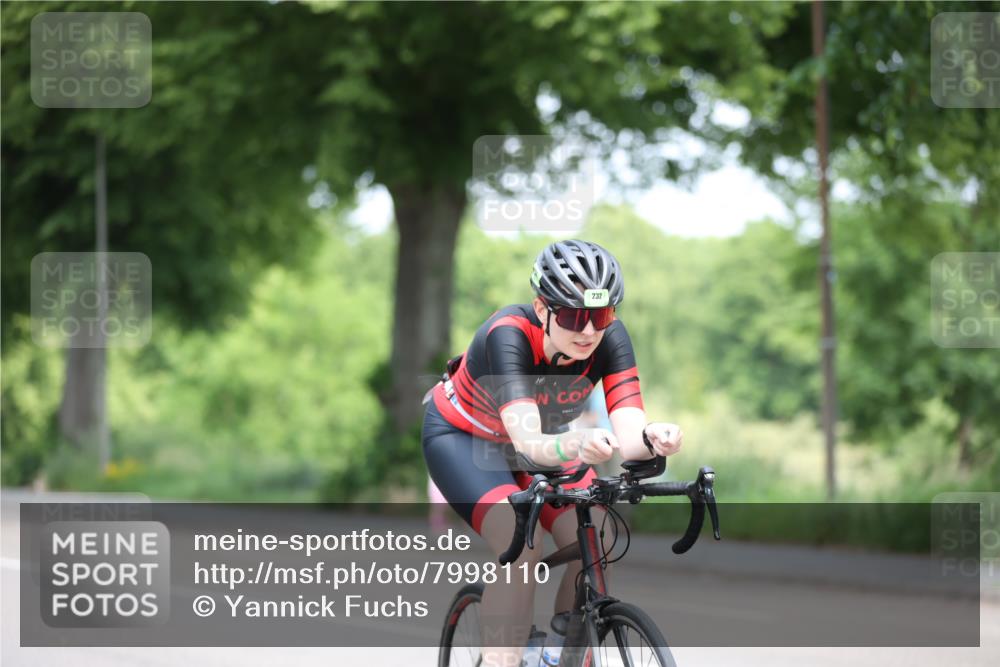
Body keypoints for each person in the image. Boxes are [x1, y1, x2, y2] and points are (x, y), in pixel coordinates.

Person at [421, 239, 684, 667]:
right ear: (542, 309)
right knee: (521, 542)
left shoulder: (610, 339)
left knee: (599, 536)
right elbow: (528, 444)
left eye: (601, 315)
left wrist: (655, 437)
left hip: (545, 440)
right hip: (464, 439)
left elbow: (631, 438)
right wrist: (577, 443)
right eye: (574, 316)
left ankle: (561, 653)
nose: (589, 331)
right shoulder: (507, 334)